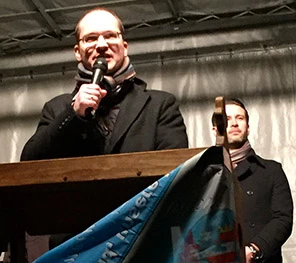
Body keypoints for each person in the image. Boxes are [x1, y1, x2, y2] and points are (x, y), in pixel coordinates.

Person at [20, 7, 188, 161]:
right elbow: (28, 163)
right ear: (78, 52)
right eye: (91, 38)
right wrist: (73, 115)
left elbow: (175, 170)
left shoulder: (160, 105)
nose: (101, 45)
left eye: (110, 36)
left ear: (125, 47)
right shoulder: (56, 108)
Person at [216, 99, 294, 263]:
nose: (234, 123)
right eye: (227, 119)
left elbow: (283, 220)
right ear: (216, 129)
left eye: (240, 118)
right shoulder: (205, 174)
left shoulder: (271, 171)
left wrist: (254, 250)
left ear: (248, 126)